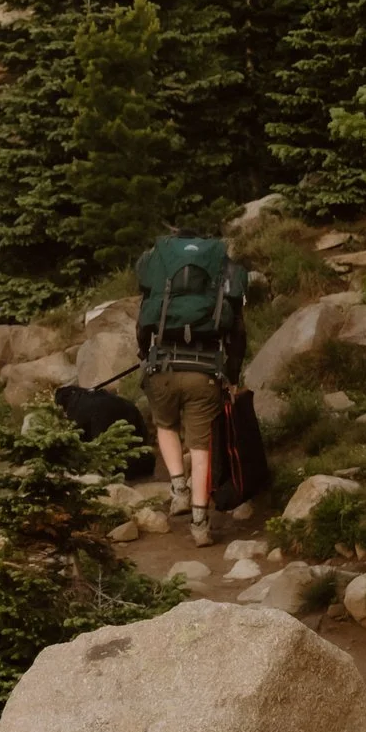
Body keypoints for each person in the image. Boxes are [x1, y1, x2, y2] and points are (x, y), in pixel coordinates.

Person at [133, 232, 248, 547]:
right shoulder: (222, 275)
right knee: (200, 449)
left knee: (165, 425)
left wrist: (146, 356)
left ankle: (178, 490)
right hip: (205, 373)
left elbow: (143, 326)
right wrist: (233, 374)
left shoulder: (160, 275)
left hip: (162, 371)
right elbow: (237, 333)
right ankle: (200, 524)